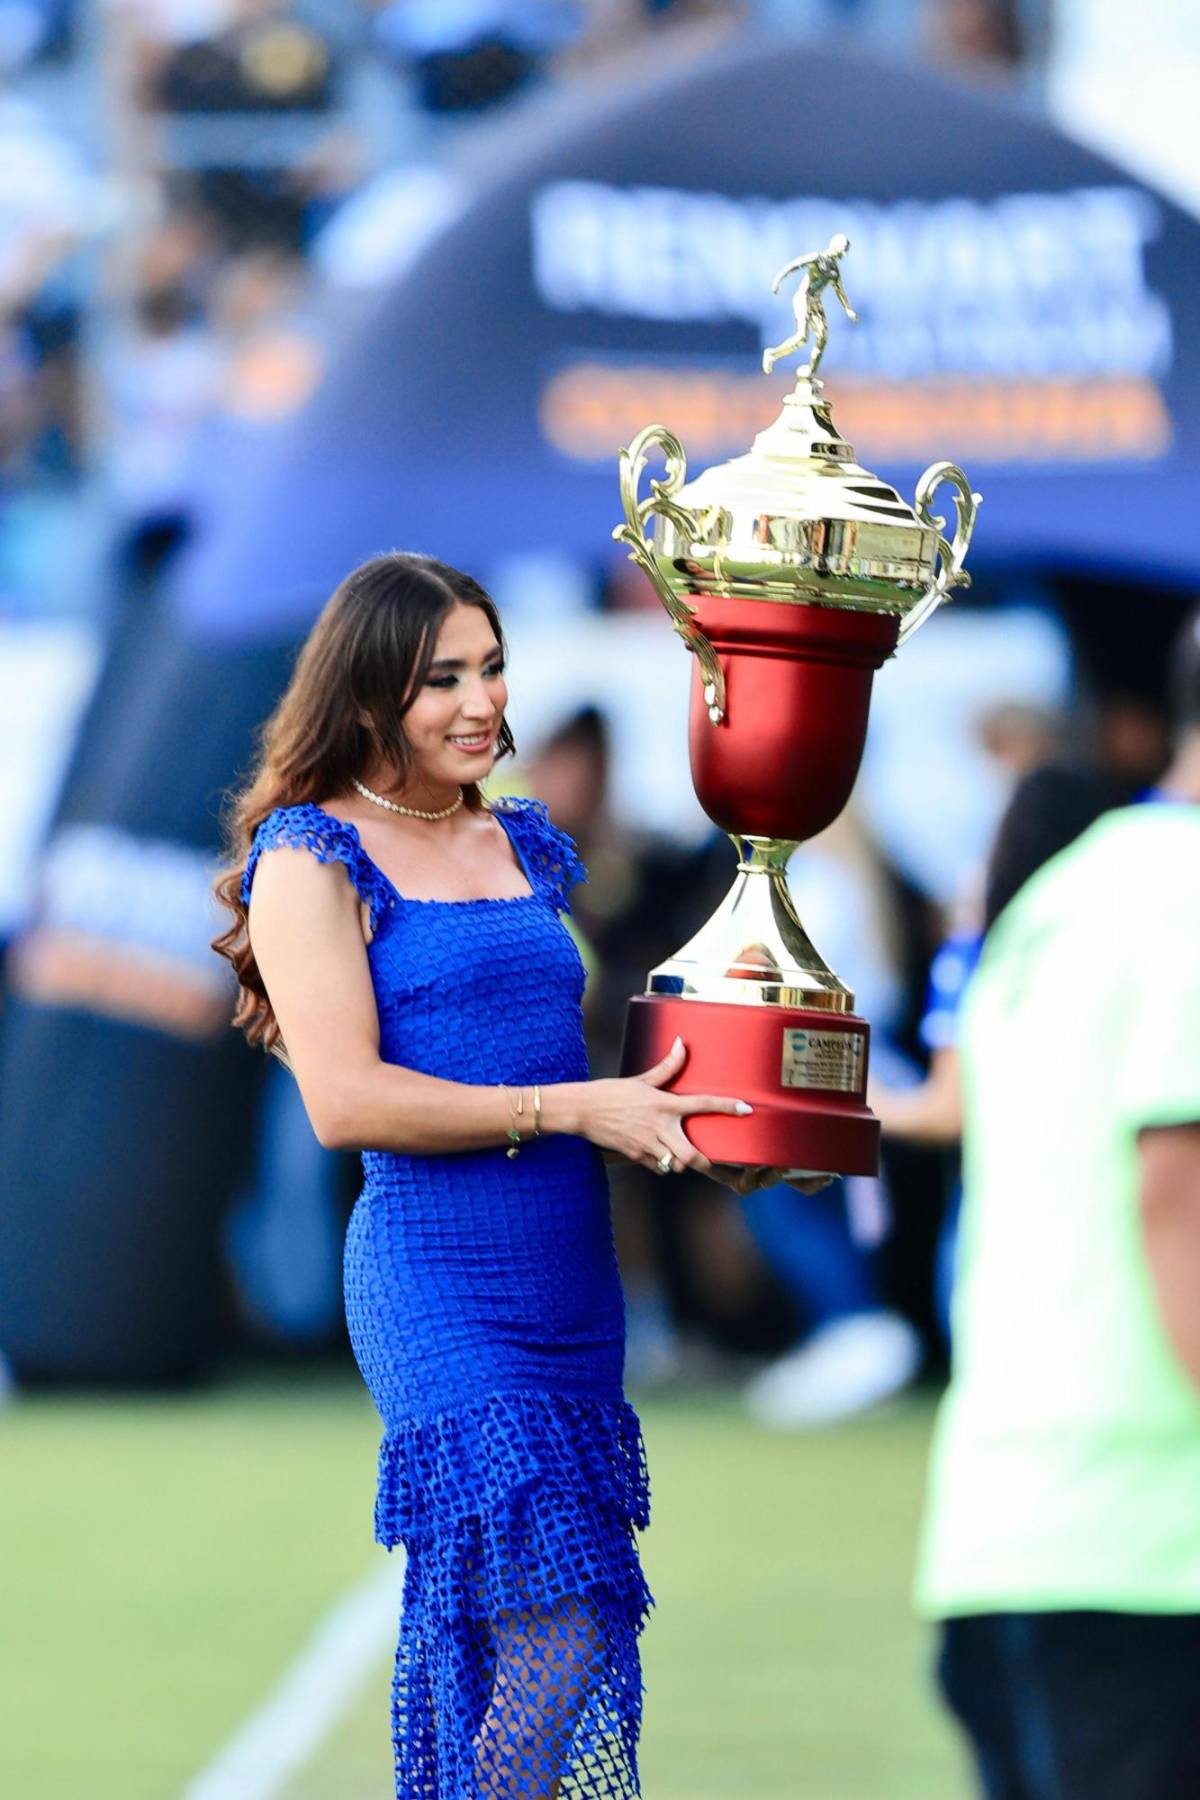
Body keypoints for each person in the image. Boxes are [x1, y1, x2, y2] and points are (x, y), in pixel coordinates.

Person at [211, 552, 809, 1799]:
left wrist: (737, 1115)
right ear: (369, 695)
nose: (482, 701)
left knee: (549, 1634)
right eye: (444, 679)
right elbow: (346, 1101)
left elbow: (580, 1056)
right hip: (437, 1279)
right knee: (555, 1615)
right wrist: (574, 1108)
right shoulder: (308, 856)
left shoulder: (523, 837)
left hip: (570, 1278)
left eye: (492, 668)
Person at [915, 609, 1200, 1798]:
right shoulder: (1186, 897)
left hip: (1008, 1527)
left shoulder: (1067, 893)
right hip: (1152, 1547)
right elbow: (1175, 1192)